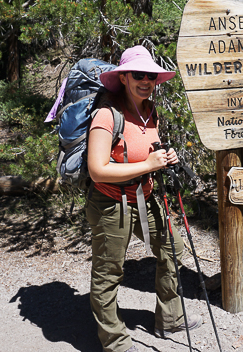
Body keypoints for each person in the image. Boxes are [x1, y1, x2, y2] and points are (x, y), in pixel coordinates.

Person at [86, 45, 202, 352]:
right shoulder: (106, 115)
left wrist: (163, 157)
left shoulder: (151, 111)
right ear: (123, 77)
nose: (145, 80)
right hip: (111, 203)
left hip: (145, 198)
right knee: (109, 272)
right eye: (138, 74)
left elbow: (147, 151)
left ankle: (170, 318)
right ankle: (115, 342)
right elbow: (97, 170)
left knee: (173, 248)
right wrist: (148, 165)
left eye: (150, 75)